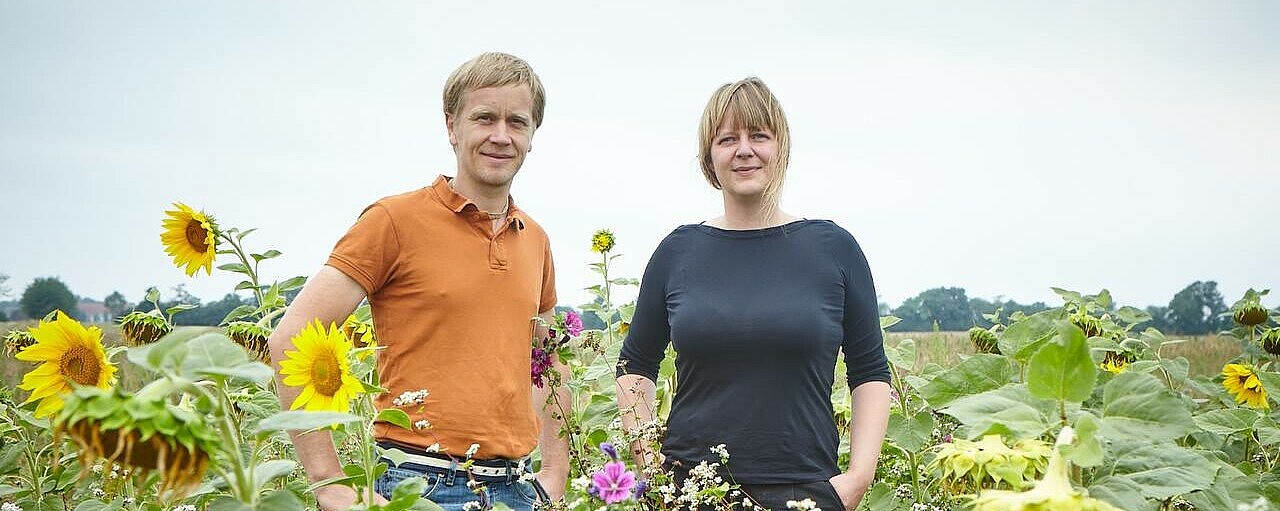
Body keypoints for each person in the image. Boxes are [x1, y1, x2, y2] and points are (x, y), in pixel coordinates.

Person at [266, 52, 570, 511]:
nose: (501, 136)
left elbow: (547, 360)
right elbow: (291, 338)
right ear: (452, 127)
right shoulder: (393, 221)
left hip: (518, 491)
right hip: (419, 486)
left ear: (532, 135)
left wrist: (554, 476)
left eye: (517, 122)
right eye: (484, 118)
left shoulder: (536, 239)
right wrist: (327, 481)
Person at [615, 77, 891, 510]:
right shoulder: (678, 252)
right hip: (693, 493)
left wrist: (857, 479)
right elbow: (635, 366)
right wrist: (653, 473)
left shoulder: (833, 249)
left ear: (780, 147)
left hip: (807, 493)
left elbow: (870, 370)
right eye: (727, 139)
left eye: (758, 135)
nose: (744, 150)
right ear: (710, 156)